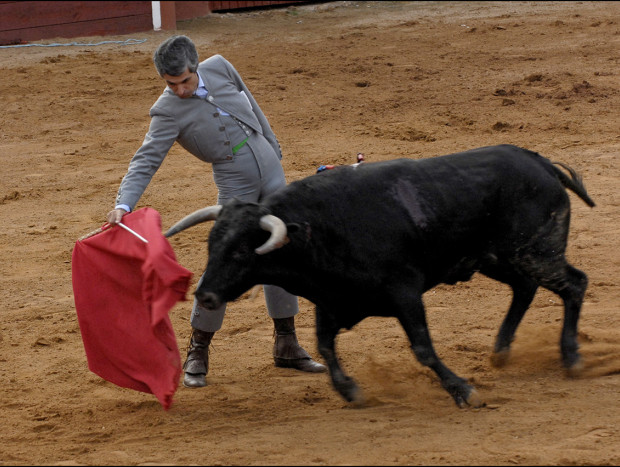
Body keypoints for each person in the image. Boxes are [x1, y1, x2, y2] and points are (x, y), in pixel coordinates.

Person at [106, 35, 326, 388]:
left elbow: (251, 104)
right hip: (233, 182)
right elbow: (146, 159)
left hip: (270, 168)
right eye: (171, 84)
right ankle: (199, 348)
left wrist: (272, 143)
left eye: (185, 81)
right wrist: (123, 203)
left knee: (282, 250)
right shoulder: (166, 111)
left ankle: (287, 342)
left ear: (196, 67)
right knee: (228, 257)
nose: (179, 90)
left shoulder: (220, 66)